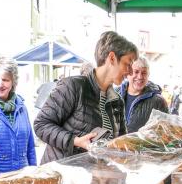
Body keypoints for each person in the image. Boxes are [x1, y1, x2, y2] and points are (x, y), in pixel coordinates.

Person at [33, 31, 137, 164]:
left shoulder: (117, 101)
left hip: (93, 180)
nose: (130, 72)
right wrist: (75, 141)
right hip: (63, 176)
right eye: (128, 64)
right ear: (112, 58)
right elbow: (41, 124)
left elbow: (121, 142)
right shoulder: (73, 86)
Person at [119, 57, 168, 133]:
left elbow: (165, 131)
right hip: (110, 144)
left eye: (144, 73)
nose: (140, 77)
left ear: (148, 75)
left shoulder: (158, 101)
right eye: (136, 72)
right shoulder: (113, 94)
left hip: (140, 145)